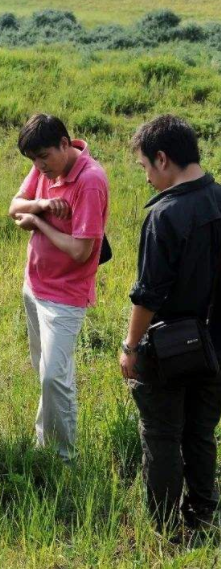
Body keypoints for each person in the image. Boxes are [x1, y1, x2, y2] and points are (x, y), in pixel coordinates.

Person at [119, 115, 221, 531]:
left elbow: (149, 295)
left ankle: (163, 527)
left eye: (144, 166)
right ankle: (204, 515)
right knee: (201, 431)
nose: (146, 178)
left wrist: (129, 346)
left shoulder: (165, 215)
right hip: (218, 348)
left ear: (162, 159)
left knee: (162, 435)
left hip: (169, 351)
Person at [8, 113, 109, 461]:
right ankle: (43, 443)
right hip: (33, 284)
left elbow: (81, 252)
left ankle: (65, 458)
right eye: (33, 161)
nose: (39, 166)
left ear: (64, 145)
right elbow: (14, 207)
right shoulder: (44, 167)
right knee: (44, 372)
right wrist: (43, 205)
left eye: (44, 157)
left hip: (65, 295)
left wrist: (37, 222)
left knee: (55, 377)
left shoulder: (90, 181)